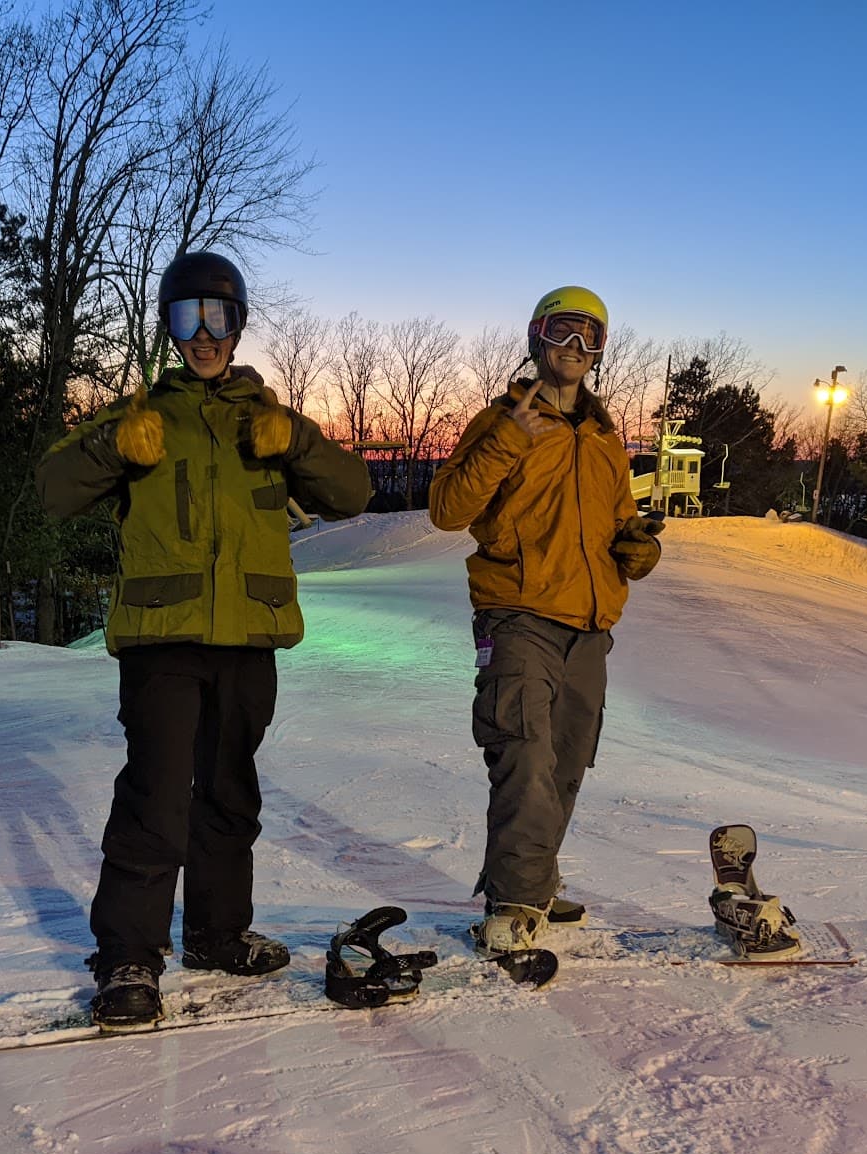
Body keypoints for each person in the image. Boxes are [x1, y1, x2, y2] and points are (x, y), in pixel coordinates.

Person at [35, 251, 373, 1026]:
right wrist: (112, 448)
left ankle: (217, 936)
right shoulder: (142, 417)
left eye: (218, 317)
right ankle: (128, 955)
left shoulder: (271, 422)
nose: (203, 334)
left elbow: (352, 491)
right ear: (169, 327)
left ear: (239, 323)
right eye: (187, 317)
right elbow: (51, 494)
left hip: (248, 637)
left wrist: (296, 443)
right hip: (164, 639)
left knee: (229, 794)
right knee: (157, 794)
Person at [428, 286, 663, 954]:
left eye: (592, 337)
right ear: (537, 338)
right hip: (518, 612)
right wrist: (506, 440)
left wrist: (638, 548)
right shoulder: (502, 418)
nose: (577, 348)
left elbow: (620, 522)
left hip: (589, 623)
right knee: (523, 752)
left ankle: (536, 884)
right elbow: (447, 508)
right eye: (564, 331)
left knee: (564, 762)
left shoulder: (604, 437)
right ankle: (514, 902)